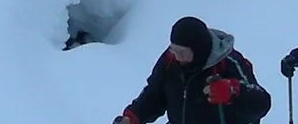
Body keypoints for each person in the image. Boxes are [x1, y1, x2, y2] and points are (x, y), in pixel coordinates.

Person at [116, 16, 273, 124]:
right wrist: (133, 117)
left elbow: (261, 103)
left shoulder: (228, 62)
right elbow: (155, 95)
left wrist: (232, 91)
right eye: (173, 50)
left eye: (182, 53)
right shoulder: (170, 59)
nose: (177, 56)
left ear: (198, 50)